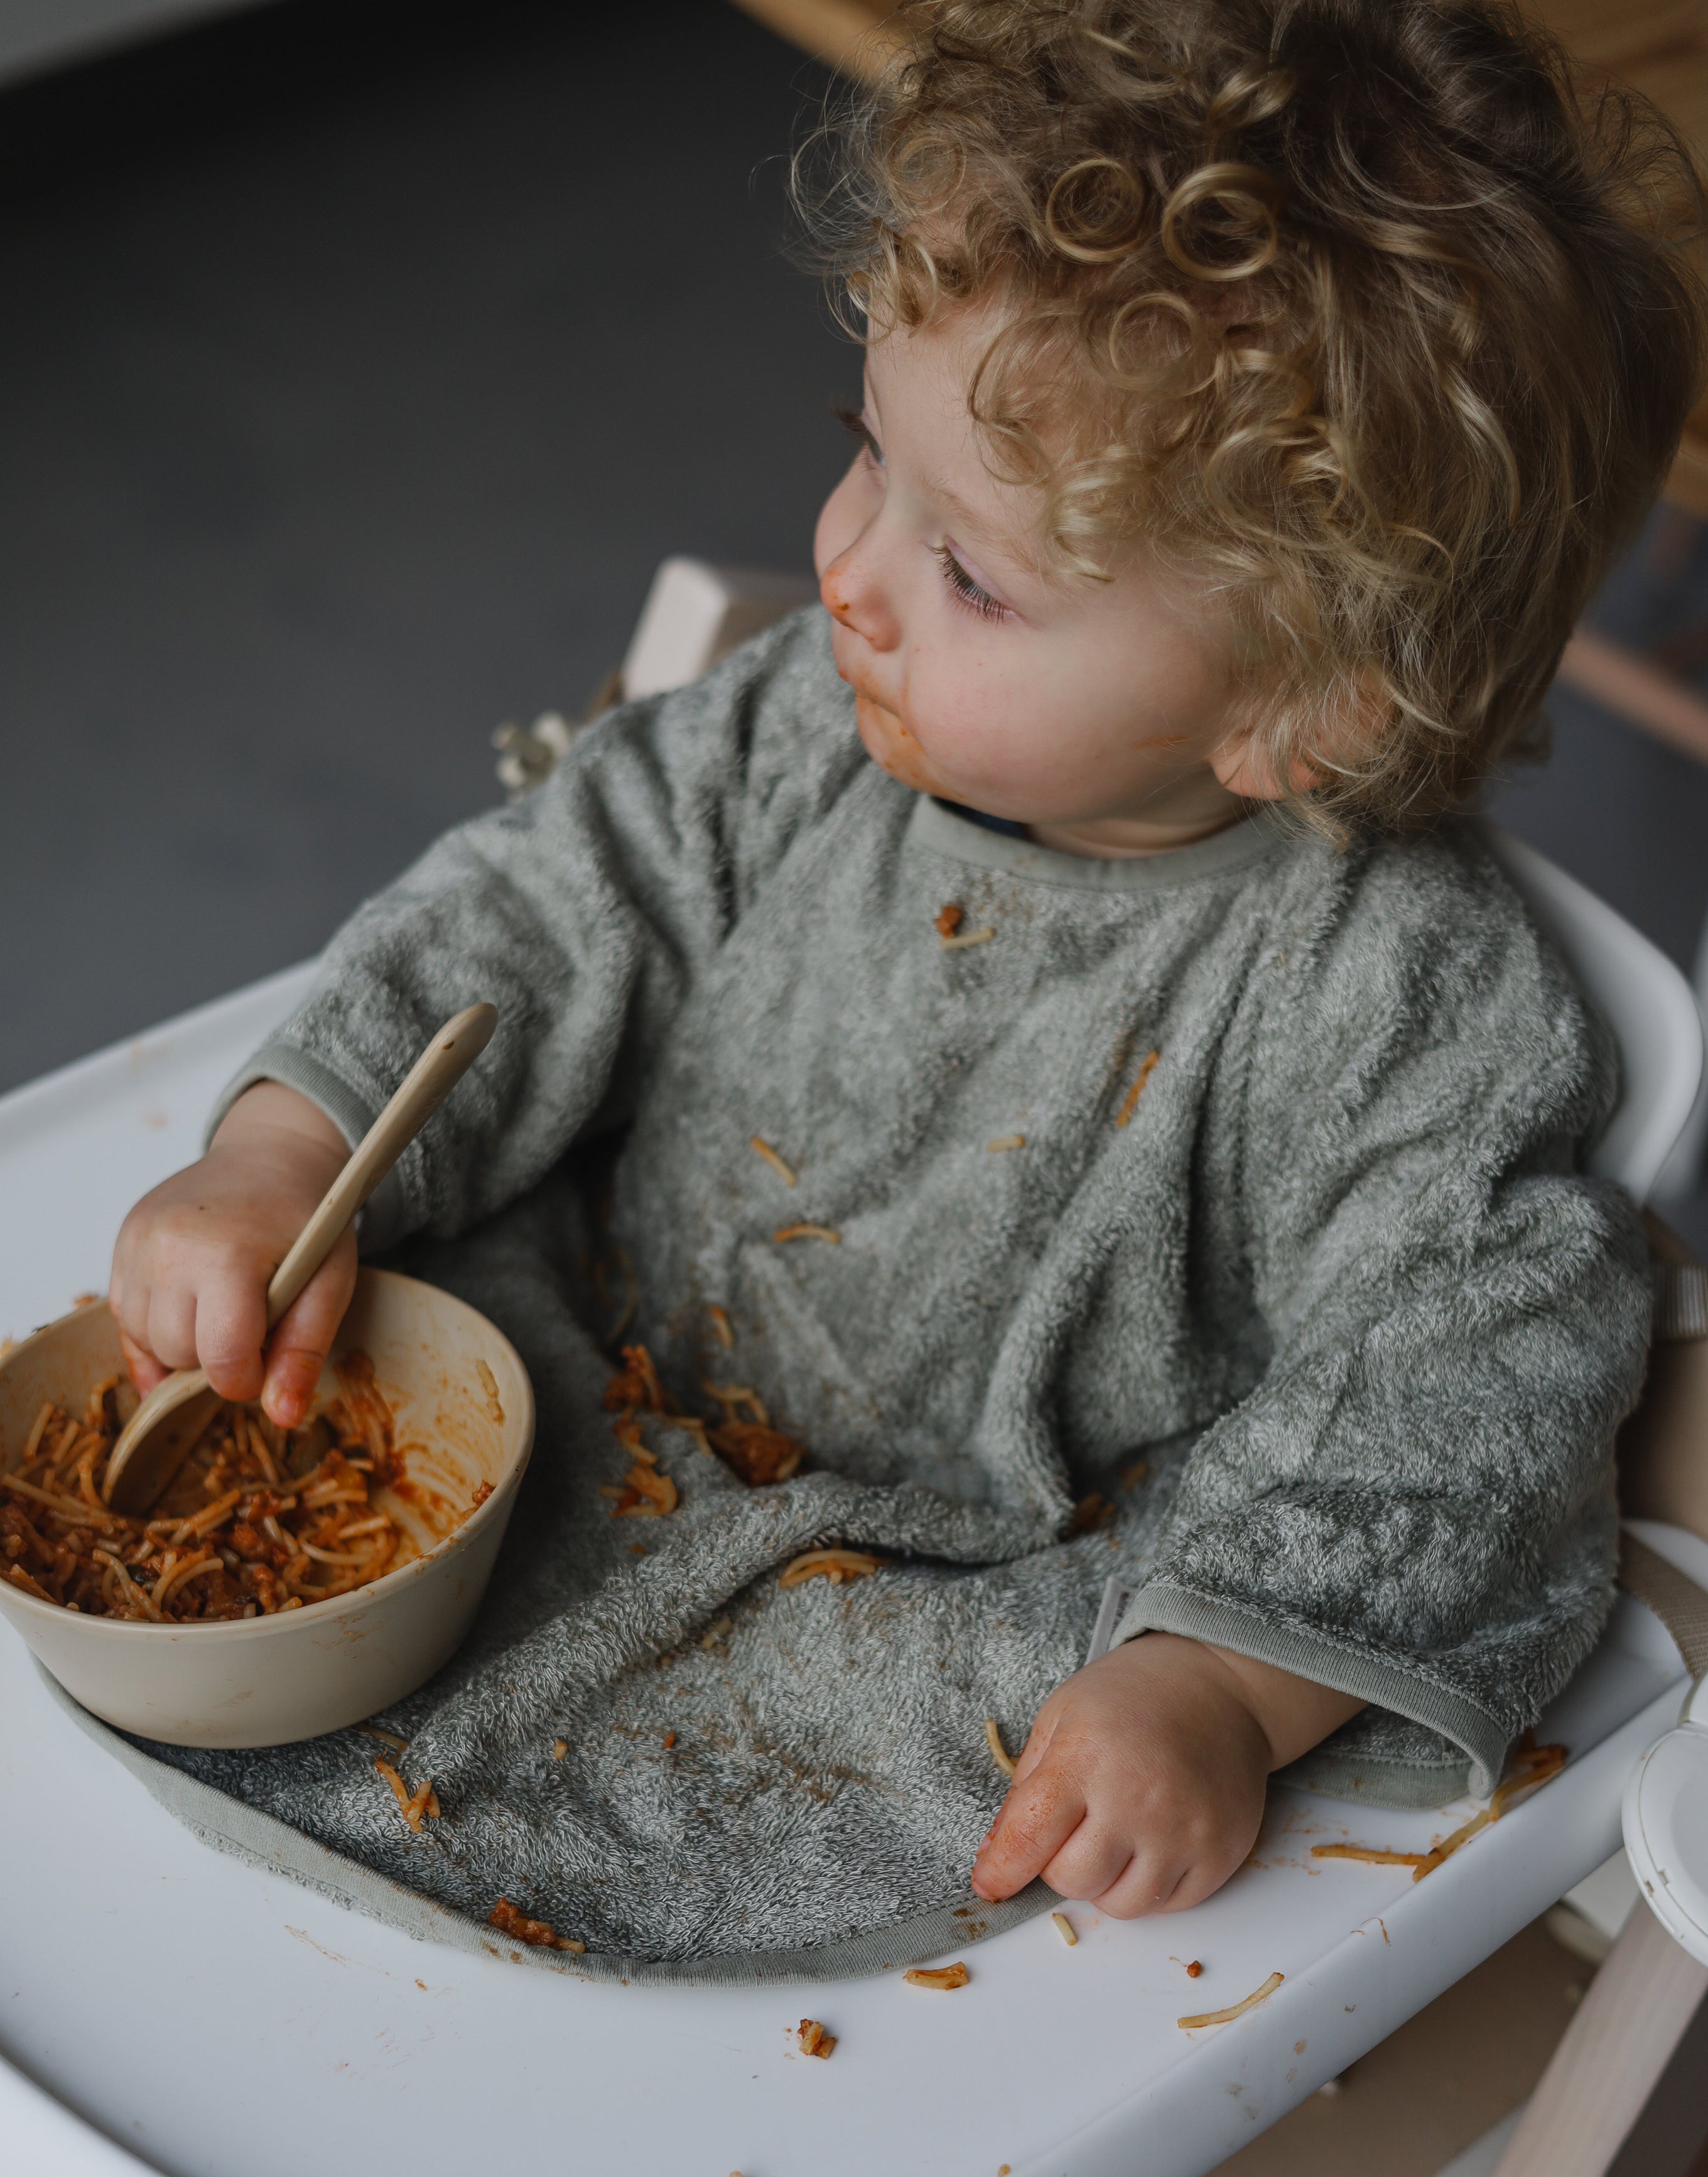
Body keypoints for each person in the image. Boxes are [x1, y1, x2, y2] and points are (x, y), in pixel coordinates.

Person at [107, 0, 1705, 1953]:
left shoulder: (1393, 1000)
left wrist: (1221, 1687)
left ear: (1304, 710)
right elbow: (532, 913)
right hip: (567, 1347)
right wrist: (288, 1152)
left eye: (974, 576)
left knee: (992, 1728)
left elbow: (1470, 1371)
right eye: (868, 459)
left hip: (956, 1580)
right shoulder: (796, 722)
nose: (847, 574)